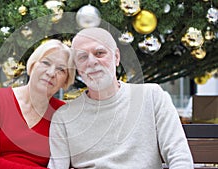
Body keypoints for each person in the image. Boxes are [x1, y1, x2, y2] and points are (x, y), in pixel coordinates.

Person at [48, 28, 194, 169]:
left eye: (99, 53)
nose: (91, 62)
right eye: (82, 57)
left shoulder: (152, 96)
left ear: (116, 57)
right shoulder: (64, 117)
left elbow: (179, 156)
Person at [0, 39, 75, 169]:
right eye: (46, 63)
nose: (51, 73)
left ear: (66, 81)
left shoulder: (62, 113)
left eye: (61, 70)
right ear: (32, 65)